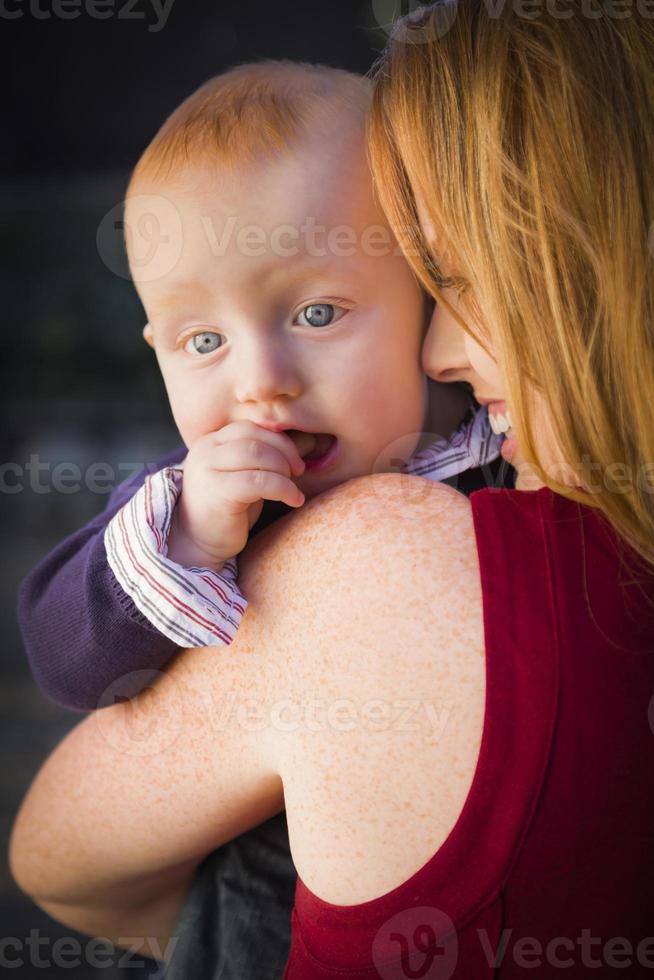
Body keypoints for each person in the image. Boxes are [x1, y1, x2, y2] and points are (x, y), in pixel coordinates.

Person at [11, 3, 654, 977]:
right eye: (202, 343)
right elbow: (61, 652)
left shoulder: (489, 448)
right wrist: (186, 537)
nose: (258, 379)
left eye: (318, 312)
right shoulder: (194, 498)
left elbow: (71, 861)